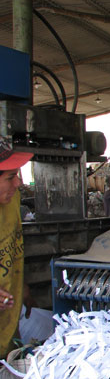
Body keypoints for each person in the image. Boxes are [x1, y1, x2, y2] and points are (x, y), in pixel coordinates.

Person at [0, 136, 35, 359]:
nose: (18, 183)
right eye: (11, 177)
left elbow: (13, 250)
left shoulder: (12, 200)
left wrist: (22, 287)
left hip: (8, 319)